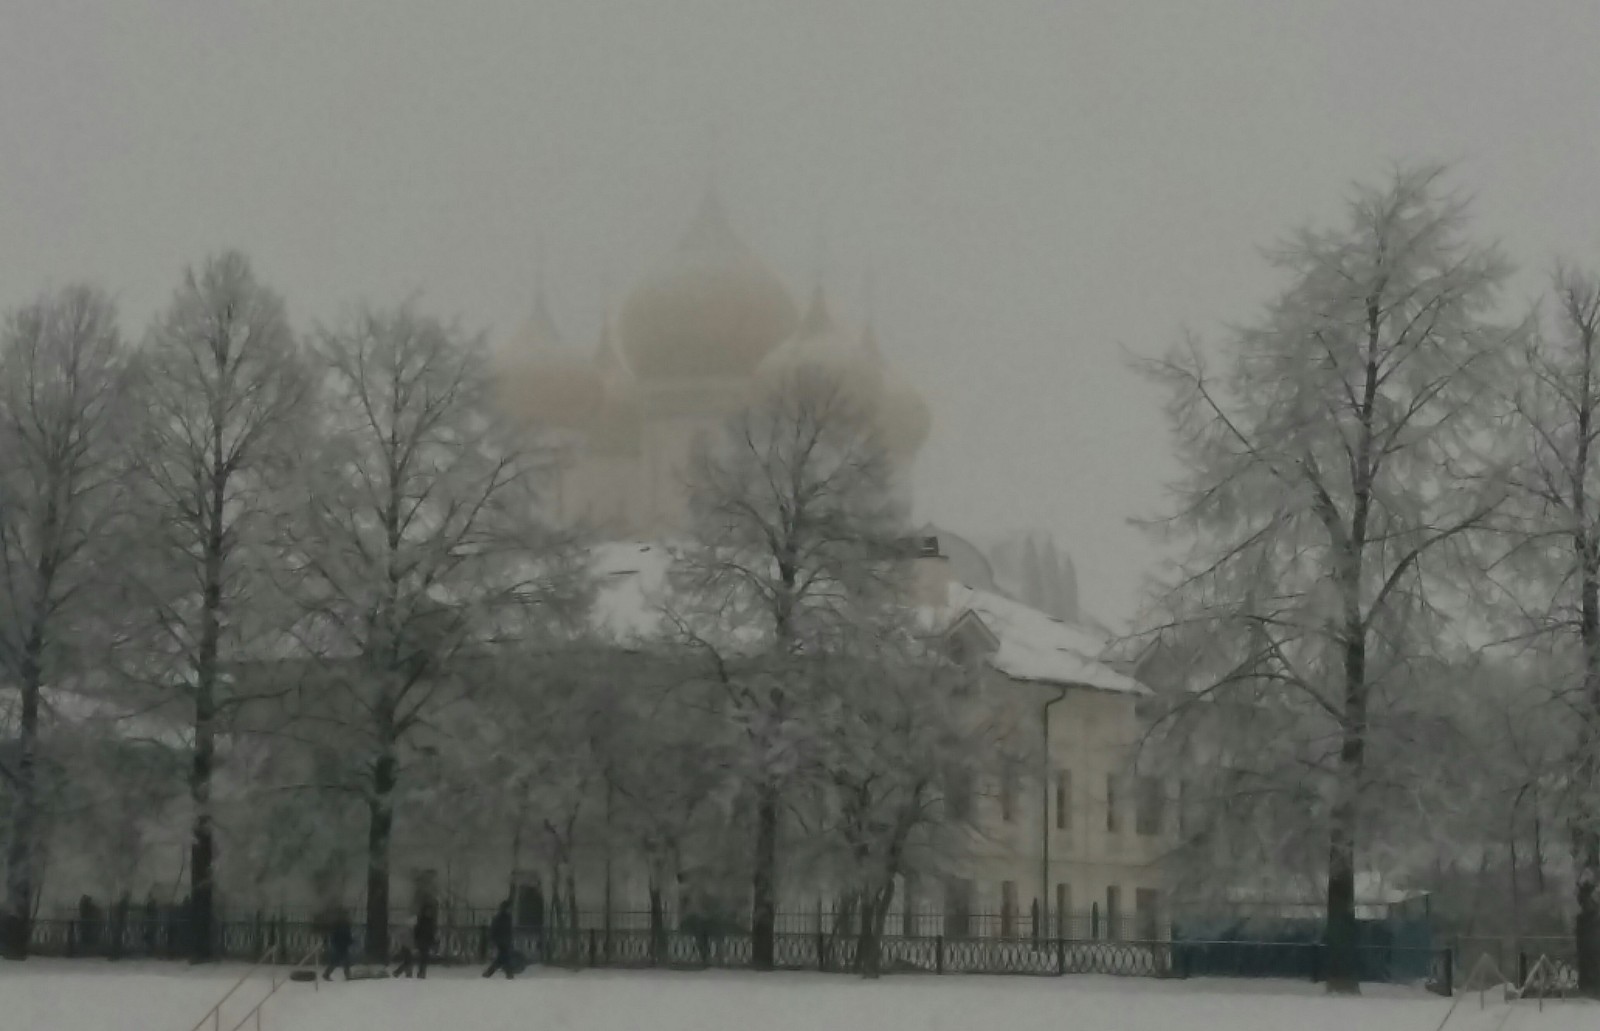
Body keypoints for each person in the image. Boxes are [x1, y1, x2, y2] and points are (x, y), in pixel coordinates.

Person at [394, 902, 438, 979]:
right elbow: (416, 931)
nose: (429, 913)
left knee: (421, 959)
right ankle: (407, 973)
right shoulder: (420, 921)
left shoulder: (429, 921)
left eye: (430, 911)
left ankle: (418, 973)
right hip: (419, 941)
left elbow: (431, 932)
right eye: (427, 911)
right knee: (412, 959)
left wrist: (432, 941)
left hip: (424, 941)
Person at [481, 901, 515, 979]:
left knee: (503, 958)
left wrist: (493, 939)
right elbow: (506, 930)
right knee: (505, 957)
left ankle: (490, 973)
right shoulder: (506, 918)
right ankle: (508, 974)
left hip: (501, 940)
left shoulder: (499, 917)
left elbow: (493, 929)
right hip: (503, 941)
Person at [322, 907, 354, 982]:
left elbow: (345, 935)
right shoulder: (342, 924)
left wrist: (349, 940)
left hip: (340, 944)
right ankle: (328, 974)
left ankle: (346, 975)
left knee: (342, 960)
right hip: (340, 944)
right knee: (339, 960)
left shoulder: (342, 923)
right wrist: (349, 941)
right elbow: (343, 935)